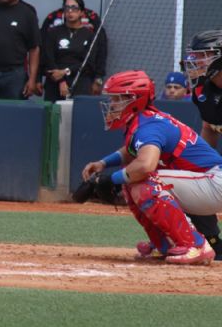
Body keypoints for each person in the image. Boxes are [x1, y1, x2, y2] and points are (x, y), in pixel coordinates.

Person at [82, 70, 218, 265]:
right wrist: (104, 163)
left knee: (143, 180)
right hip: (204, 183)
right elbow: (133, 150)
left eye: (116, 99)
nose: (111, 105)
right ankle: (165, 244)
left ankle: (195, 245)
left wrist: (111, 179)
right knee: (132, 181)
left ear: (133, 100)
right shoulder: (144, 120)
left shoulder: (148, 125)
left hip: (214, 182)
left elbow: (145, 165)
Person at [181, 29, 222, 260]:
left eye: (203, 55)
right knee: (187, 172)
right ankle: (214, 242)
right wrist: (198, 164)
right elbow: (209, 127)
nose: (195, 61)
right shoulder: (201, 89)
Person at [41, 0, 107, 95]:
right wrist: (38, 78)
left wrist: (98, 78)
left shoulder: (92, 19)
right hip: (55, 81)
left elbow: (100, 50)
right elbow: (44, 52)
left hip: (81, 80)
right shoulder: (52, 19)